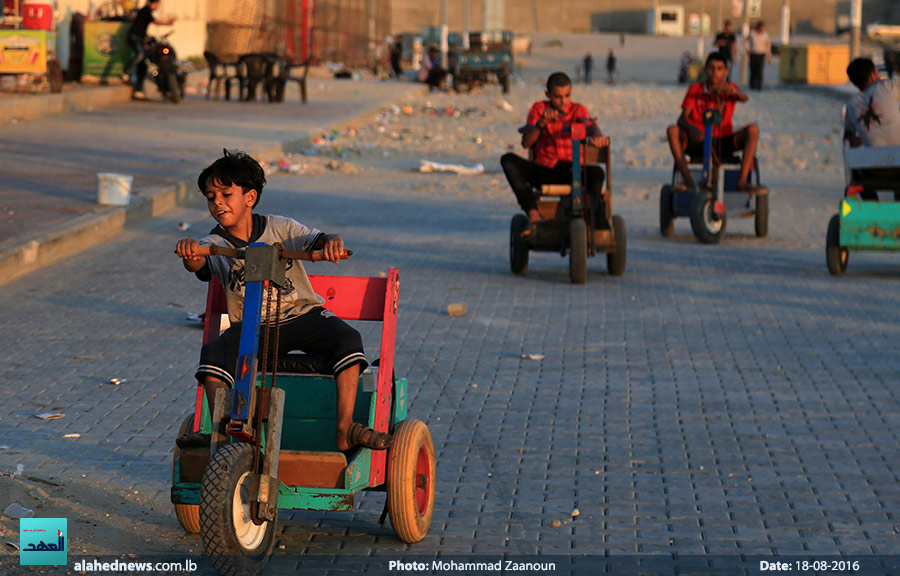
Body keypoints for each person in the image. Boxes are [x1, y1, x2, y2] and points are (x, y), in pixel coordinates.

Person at [174, 150, 391, 453]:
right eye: (211, 197)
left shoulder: (282, 228)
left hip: (302, 315)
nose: (217, 203)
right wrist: (189, 253)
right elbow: (197, 262)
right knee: (212, 357)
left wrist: (332, 243)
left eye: (226, 194)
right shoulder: (214, 244)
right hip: (253, 328)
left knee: (348, 340)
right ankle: (222, 438)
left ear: (249, 197)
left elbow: (320, 239)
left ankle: (344, 429)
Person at [500, 72, 610, 237]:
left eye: (567, 96)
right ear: (548, 95)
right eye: (558, 97)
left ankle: (593, 219)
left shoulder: (578, 110)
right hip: (545, 171)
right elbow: (527, 143)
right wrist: (541, 125)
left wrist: (597, 136)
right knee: (508, 160)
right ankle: (533, 213)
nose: (563, 101)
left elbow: (591, 125)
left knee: (597, 173)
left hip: (573, 171)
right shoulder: (539, 109)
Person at [666, 52, 760, 193]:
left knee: (753, 130)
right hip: (698, 140)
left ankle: (741, 181)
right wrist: (693, 129)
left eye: (719, 68)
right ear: (705, 70)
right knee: (672, 130)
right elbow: (682, 119)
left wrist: (734, 93)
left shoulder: (729, 88)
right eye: (711, 68)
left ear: (726, 72)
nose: (715, 72)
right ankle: (689, 181)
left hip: (722, 141)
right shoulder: (695, 89)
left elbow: (744, 98)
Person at [843, 58, 900, 198]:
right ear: (872, 75)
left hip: (875, 170)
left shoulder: (851, 105)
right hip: (899, 167)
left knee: (857, 168)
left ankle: (872, 206)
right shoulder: (888, 87)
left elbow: (849, 141)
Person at [124, 0, 175, 101]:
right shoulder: (146, 10)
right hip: (134, 38)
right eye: (158, 5)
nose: (157, 7)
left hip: (140, 38)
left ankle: (138, 92)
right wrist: (168, 23)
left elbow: (142, 26)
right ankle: (126, 72)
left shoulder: (145, 12)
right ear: (154, 3)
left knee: (143, 66)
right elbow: (155, 22)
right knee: (140, 55)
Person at [747, 21, 771, 90]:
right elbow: (746, 41)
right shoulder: (752, 33)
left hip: (761, 54)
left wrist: (769, 55)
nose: (762, 29)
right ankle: (752, 85)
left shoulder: (766, 35)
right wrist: (747, 49)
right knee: (753, 70)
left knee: (759, 71)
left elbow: (768, 46)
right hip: (753, 54)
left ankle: (759, 85)